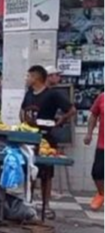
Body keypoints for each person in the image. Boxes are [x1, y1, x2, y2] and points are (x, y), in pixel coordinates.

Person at [21, 65, 76, 219]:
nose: (27, 79)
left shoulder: (53, 95)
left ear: (36, 78)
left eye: (29, 76)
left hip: (47, 138)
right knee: (30, 171)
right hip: (29, 137)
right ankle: (28, 202)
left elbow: (71, 110)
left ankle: (46, 205)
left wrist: (60, 120)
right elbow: (24, 111)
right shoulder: (29, 94)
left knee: (46, 174)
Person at [84, 91, 105, 210]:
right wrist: (89, 134)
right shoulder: (102, 97)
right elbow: (93, 115)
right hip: (103, 144)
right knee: (97, 172)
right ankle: (102, 194)